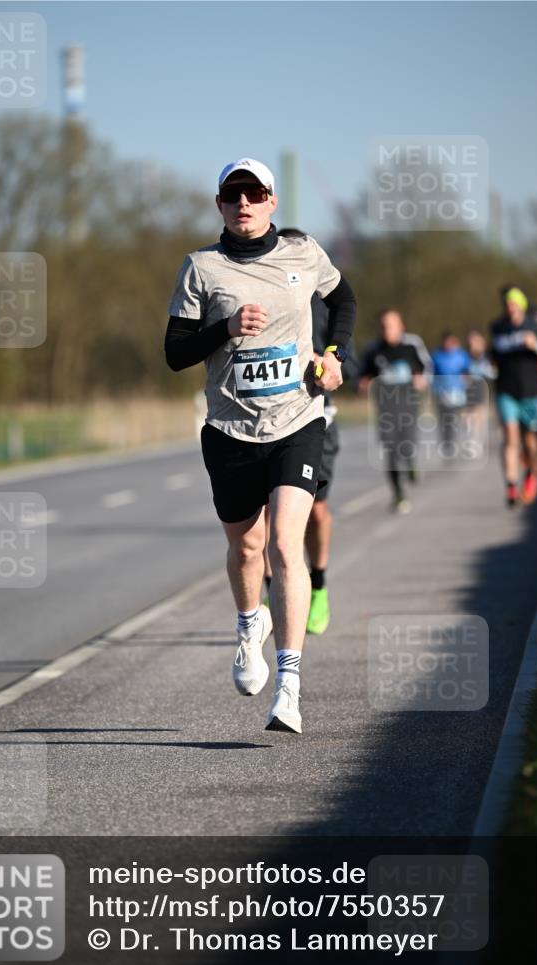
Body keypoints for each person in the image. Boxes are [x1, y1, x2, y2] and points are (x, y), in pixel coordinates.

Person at [165, 158, 356, 733]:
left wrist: (334, 356)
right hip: (229, 430)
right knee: (246, 550)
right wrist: (225, 328)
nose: (243, 204)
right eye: (232, 196)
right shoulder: (201, 268)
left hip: (298, 420)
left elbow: (343, 300)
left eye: (254, 194)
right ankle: (250, 624)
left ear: (272, 200)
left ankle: (290, 687)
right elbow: (175, 353)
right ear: (219, 204)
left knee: (282, 545)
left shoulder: (303, 252)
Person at [261, 226, 356, 636]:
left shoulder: (326, 300)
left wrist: (329, 359)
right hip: (266, 420)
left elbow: (343, 359)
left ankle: (317, 584)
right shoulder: (264, 293)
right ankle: (271, 591)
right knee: (267, 516)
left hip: (317, 415)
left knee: (316, 511)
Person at [489, 286, 537, 506]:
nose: (510, 307)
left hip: (531, 391)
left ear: (522, 304)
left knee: (530, 440)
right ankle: (511, 485)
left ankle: (531, 474)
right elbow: (493, 356)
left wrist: (536, 345)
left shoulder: (536, 324)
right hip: (506, 391)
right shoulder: (498, 327)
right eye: (507, 303)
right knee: (510, 436)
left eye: (514, 303)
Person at [358, 309, 430, 512]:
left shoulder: (412, 345)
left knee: (406, 444)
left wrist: (421, 379)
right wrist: (363, 384)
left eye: (391, 325)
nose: (387, 330)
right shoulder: (373, 350)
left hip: (408, 405)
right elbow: (362, 375)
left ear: (401, 327)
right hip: (386, 409)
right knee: (390, 449)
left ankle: (411, 463)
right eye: (383, 326)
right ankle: (398, 494)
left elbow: (426, 368)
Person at [430, 332, 471, 456]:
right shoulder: (436, 355)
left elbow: (467, 370)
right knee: (446, 420)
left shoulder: (462, 355)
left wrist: (466, 379)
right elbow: (431, 372)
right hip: (441, 392)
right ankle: (448, 443)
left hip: (458, 391)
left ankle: (466, 441)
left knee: (460, 417)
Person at [464, 329, 495, 448]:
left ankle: (477, 441)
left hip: (482, 387)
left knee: (479, 415)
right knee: (467, 415)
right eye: (472, 342)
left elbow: (493, 371)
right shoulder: (465, 357)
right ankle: (470, 438)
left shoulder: (487, 356)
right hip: (468, 388)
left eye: (477, 341)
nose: (474, 345)